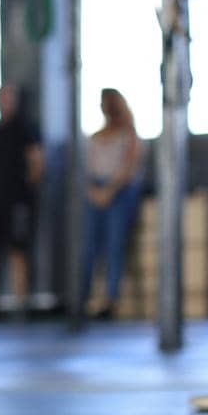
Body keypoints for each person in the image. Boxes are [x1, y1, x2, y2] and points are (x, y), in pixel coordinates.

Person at [0, 83, 44, 312]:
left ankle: (20, 301)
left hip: (17, 201)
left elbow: (36, 161)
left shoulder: (25, 130)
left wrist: (26, 190)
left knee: (17, 249)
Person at [78, 87, 143, 319]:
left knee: (115, 245)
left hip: (119, 191)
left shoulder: (129, 135)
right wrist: (94, 191)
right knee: (88, 247)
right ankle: (81, 299)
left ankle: (110, 300)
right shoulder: (96, 137)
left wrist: (109, 190)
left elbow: (129, 167)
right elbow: (85, 170)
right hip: (95, 190)